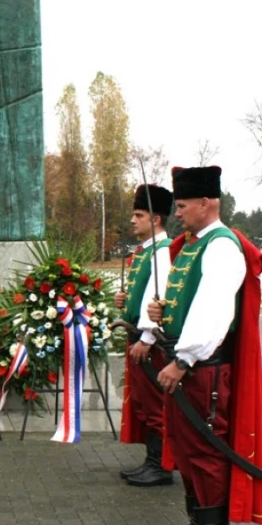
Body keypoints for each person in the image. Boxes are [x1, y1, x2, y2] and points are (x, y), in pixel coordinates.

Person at [148, 166, 262, 525]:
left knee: (205, 449)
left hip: (202, 367)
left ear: (205, 203)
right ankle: (197, 522)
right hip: (188, 363)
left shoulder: (220, 246)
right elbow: (189, 302)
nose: (176, 213)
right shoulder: (195, 243)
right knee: (184, 446)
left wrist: (183, 360)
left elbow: (214, 312)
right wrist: (162, 310)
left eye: (182, 206)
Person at [115, 184, 173, 487]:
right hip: (138, 336)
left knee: (155, 404)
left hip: (150, 341)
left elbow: (160, 299)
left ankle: (160, 465)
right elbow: (144, 294)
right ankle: (153, 461)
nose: (133, 220)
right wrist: (126, 302)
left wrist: (146, 340)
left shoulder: (162, 253)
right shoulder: (146, 252)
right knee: (144, 401)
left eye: (139, 215)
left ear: (157, 219)